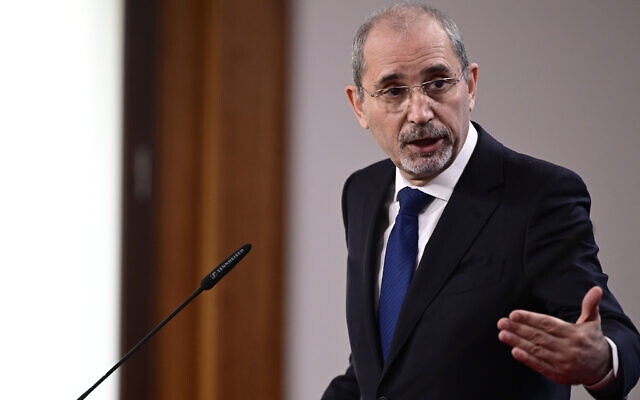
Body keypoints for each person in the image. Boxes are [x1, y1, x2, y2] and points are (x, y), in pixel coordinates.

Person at [321, 3, 640, 400]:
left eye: (438, 83)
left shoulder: (539, 197)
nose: (420, 113)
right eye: (394, 91)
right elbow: (379, 369)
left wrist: (601, 360)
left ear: (469, 86)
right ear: (359, 106)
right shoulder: (361, 193)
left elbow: (616, 336)